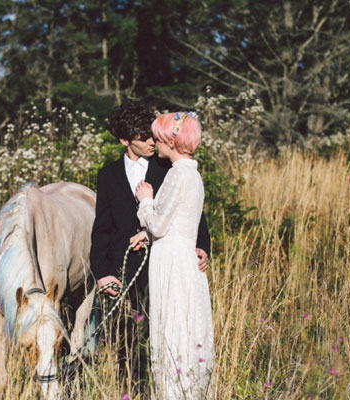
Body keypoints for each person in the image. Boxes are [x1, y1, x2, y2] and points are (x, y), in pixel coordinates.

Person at [89, 101, 211, 387]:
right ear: (124, 140)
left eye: (152, 135)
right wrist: (102, 273)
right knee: (130, 343)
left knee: (171, 335)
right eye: (143, 137)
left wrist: (202, 246)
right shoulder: (108, 175)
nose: (151, 142)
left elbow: (194, 213)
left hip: (167, 268)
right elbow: (102, 228)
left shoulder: (169, 165)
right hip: (125, 273)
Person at [131, 111, 214, 399]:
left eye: (157, 137)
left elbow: (158, 225)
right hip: (181, 256)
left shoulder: (177, 175)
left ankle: (174, 392)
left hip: (171, 261)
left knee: (172, 325)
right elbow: (177, 222)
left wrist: (145, 201)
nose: (154, 142)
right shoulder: (192, 173)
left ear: (171, 141)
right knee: (183, 325)